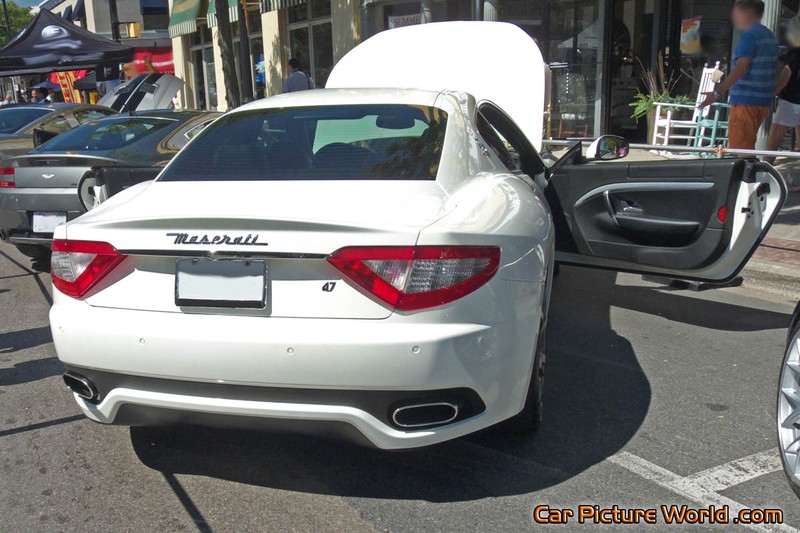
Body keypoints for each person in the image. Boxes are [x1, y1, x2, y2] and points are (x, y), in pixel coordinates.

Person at [700, 0, 778, 151]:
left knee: (741, 149)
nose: (734, 18)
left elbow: (740, 68)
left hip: (745, 100)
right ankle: (749, 173)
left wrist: (716, 92)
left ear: (747, 13)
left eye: (736, 13)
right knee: (747, 146)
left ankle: (746, 175)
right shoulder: (769, 36)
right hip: (762, 100)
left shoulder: (749, 37)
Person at [765, 15, 800, 164]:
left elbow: (787, 72)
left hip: (791, 100)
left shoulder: (796, 50)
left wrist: (774, 91)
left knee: (772, 143)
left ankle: (763, 175)